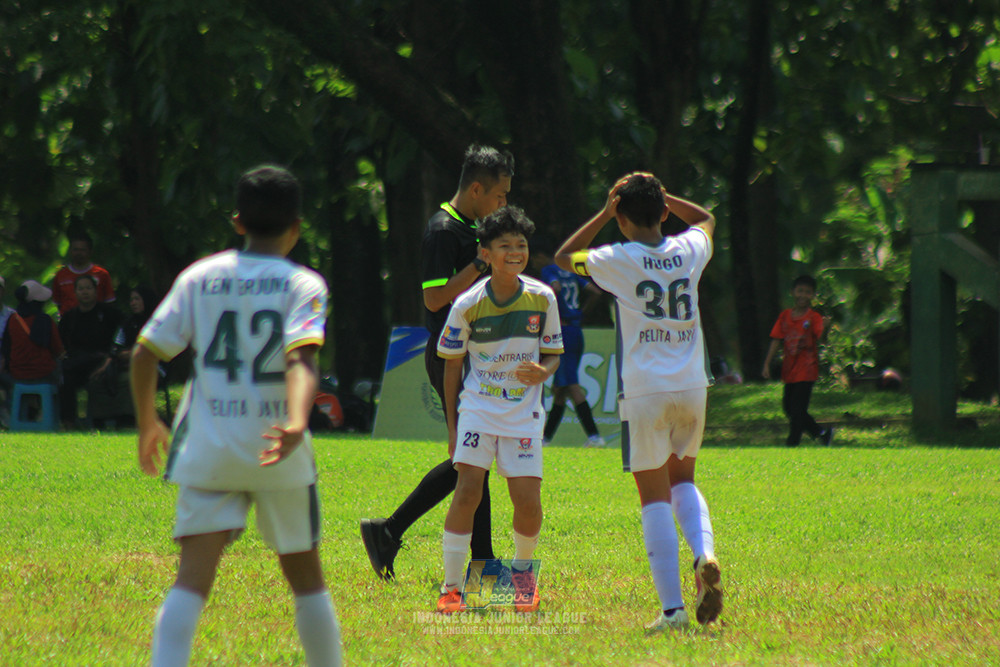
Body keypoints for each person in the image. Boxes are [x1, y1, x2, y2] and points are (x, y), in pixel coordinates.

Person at [130, 165, 341, 666]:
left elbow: (145, 353)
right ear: (296, 225)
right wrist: (295, 421)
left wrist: (146, 422)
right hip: (276, 448)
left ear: (237, 220)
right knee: (306, 578)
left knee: (191, 580)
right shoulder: (304, 284)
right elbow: (301, 359)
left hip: (209, 448)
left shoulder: (200, 278)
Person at [555, 172, 723, 631]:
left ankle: (673, 611)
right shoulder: (688, 248)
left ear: (622, 218)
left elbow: (563, 257)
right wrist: (666, 197)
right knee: (683, 480)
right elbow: (707, 218)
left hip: (645, 389)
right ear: (665, 212)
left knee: (653, 497)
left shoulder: (618, 256)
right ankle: (704, 553)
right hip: (693, 384)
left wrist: (604, 213)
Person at [361, 144, 514, 580]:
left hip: (475, 352)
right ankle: (398, 533)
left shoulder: (472, 228)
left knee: (475, 456)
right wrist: (480, 262)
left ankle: (406, 536)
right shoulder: (444, 231)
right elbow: (433, 298)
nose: (503, 204)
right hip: (450, 353)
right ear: (478, 188)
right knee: (473, 455)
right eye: (500, 196)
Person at [435, 205, 562, 613]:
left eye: (520, 244)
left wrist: (543, 371)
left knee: (527, 500)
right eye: (504, 244)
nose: (514, 251)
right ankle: (452, 588)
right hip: (478, 410)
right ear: (485, 253)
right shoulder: (467, 304)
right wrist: (454, 427)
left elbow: (554, 354)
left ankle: (523, 584)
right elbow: (452, 367)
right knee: (468, 490)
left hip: (522, 416)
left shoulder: (543, 298)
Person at [529, 237, 606, 447]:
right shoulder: (570, 271)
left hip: (561, 332)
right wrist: (579, 313)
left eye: (534, 261)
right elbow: (595, 292)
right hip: (575, 331)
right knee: (560, 390)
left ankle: (595, 437)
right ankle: (545, 439)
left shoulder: (549, 271)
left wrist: (550, 316)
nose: (534, 265)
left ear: (540, 257)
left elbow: (554, 287)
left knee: (571, 385)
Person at [762, 275, 833, 447]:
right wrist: (767, 363)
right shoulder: (785, 316)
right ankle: (821, 433)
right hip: (790, 370)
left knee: (798, 409)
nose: (803, 295)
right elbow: (776, 340)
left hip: (807, 369)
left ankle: (792, 443)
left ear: (813, 295)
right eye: (800, 291)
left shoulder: (814, 318)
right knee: (788, 407)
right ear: (793, 292)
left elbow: (821, 340)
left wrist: (826, 328)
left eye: (808, 292)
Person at [58, 274, 122, 428]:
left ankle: (102, 422)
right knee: (65, 378)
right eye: (81, 289)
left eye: (88, 288)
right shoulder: (69, 317)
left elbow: (123, 334)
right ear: (75, 292)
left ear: (95, 291)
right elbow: (60, 344)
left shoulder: (109, 313)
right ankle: (68, 423)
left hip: (103, 362)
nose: (85, 292)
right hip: (76, 363)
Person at [52, 229, 116, 315]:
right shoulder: (61, 275)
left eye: (82, 250)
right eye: (76, 250)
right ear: (70, 251)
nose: (79, 253)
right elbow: (58, 304)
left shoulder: (101, 274)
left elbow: (109, 303)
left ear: (90, 251)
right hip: (69, 325)